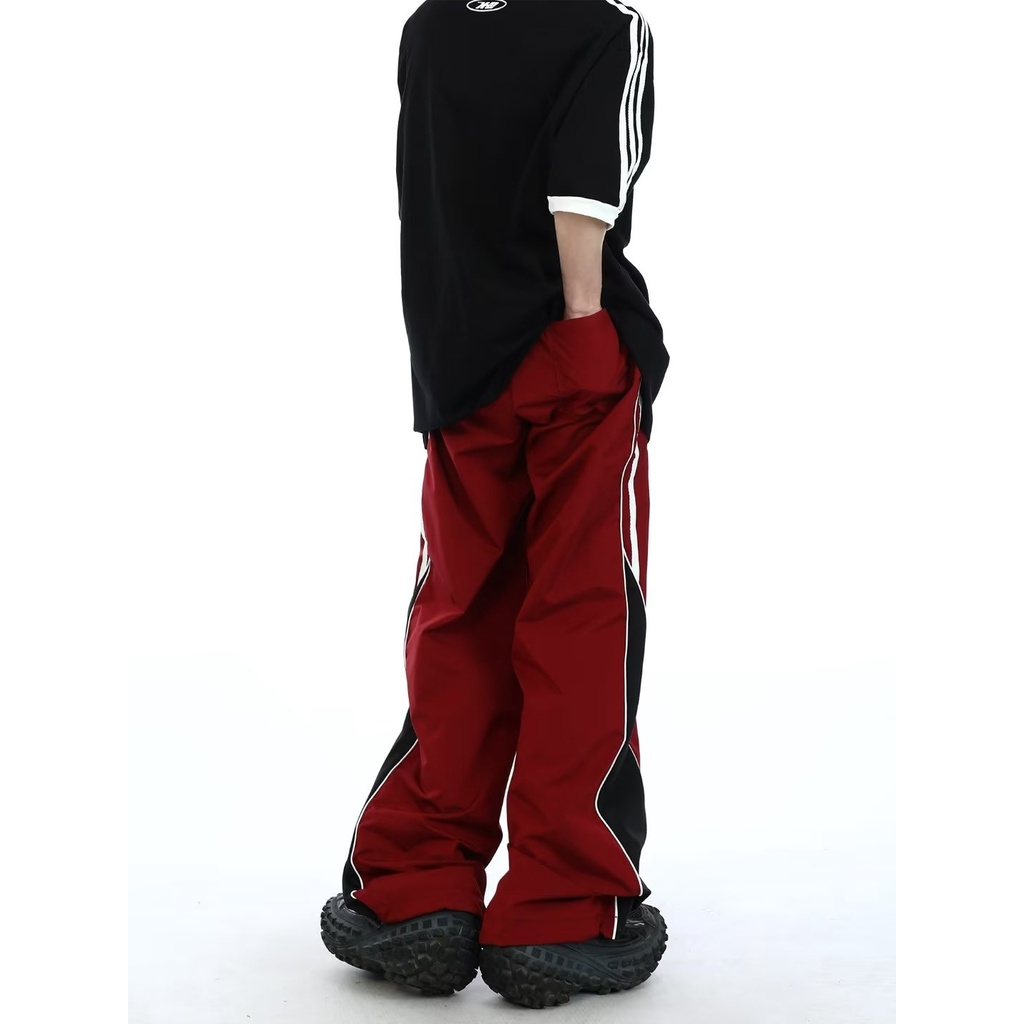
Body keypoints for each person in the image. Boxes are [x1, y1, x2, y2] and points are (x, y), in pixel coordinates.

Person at [320, 0, 670, 1009]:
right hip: (568, 358)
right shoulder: (605, 27)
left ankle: (414, 887)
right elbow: (583, 190)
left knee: (460, 609)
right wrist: (581, 325)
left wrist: (452, 352)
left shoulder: (431, 25)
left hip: (458, 365)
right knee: (581, 615)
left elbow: (433, 196)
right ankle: (561, 903)